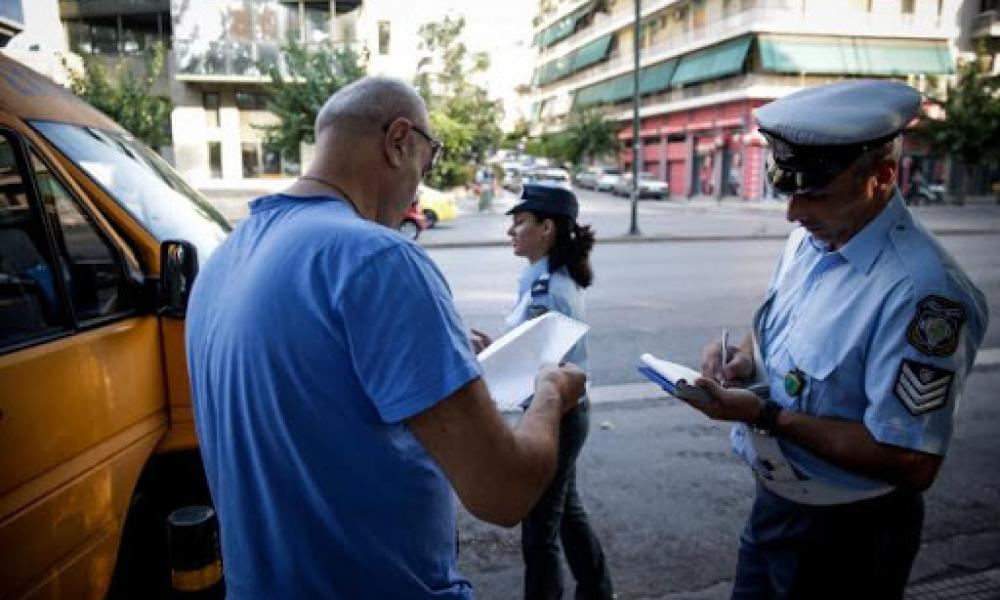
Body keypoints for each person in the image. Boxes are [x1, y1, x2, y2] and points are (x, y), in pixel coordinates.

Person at [185, 77, 586, 599]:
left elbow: (312, 403)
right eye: (428, 160)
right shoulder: (379, 259)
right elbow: (503, 492)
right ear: (399, 141)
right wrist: (552, 390)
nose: (419, 187)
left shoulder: (225, 258)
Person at [679, 80, 989, 599]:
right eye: (789, 190)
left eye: (815, 193)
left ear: (883, 177)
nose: (793, 213)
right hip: (775, 505)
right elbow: (779, 331)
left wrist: (764, 415)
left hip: (849, 535)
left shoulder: (923, 295)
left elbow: (912, 460)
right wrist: (741, 359)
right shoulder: (811, 240)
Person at [471, 183, 614, 600]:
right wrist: (499, 347)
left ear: (547, 228)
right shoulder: (547, 276)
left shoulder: (547, 288)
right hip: (565, 411)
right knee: (566, 513)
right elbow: (539, 349)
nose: (511, 232)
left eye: (520, 223)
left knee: (539, 531)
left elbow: (548, 366)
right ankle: (598, 590)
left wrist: (492, 359)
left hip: (559, 416)